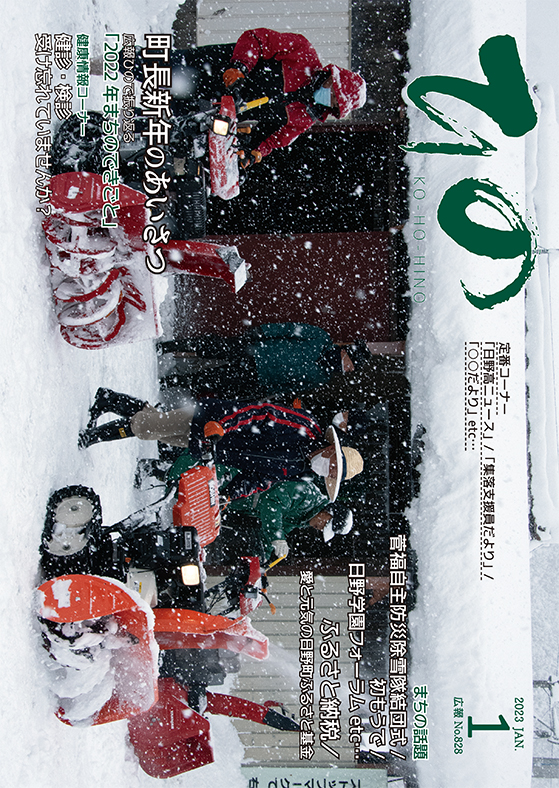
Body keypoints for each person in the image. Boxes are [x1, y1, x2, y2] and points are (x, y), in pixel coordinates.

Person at [127, 29, 366, 165]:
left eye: (334, 103)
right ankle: (110, 59)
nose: (328, 99)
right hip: (216, 69)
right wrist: (240, 66)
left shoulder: (305, 117)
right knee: (152, 69)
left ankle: (114, 124)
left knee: (162, 121)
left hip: (214, 109)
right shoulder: (302, 52)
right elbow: (256, 39)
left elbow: (276, 138)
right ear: (331, 78)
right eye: (333, 92)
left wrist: (255, 151)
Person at [78, 388, 363, 501]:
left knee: (158, 427)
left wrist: (229, 495)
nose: (326, 471)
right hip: (213, 422)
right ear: (330, 450)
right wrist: (223, 425)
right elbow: (261, 412)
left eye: (331, 474)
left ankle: (108, 399)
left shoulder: (299, 468)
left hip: (214, 448)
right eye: (332, 466)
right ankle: (90, 438)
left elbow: (261, 480)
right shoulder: (306, 427)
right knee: (149, 428)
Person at [159, 322, 354, 399]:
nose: (346, 369)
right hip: (257, 350)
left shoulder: (322, 377)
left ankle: (170, 382)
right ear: (345, 352)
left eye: (349, 369)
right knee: (213, 347)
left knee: (213, 379)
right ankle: (168, 347)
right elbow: (289, 329)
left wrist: (265, 390)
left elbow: (290, 386)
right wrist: (264, 331)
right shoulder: (321, 338)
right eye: (349, 364)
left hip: (258, 376)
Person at [228, 479, 354, 559]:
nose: (321, 529)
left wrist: (260, 561)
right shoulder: (307, 495)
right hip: (238, 483)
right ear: (328, 512)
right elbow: (272, 502)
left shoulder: (304, 518)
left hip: (238, 500)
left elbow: (272, 535)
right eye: (326, 525)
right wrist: (277, 538)